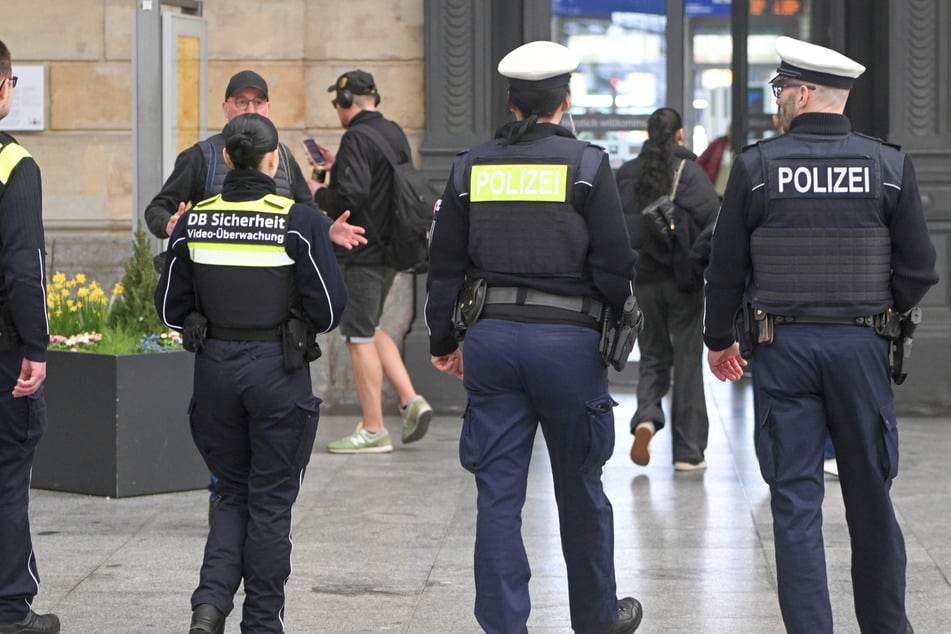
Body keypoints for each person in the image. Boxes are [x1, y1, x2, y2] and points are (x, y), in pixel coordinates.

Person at [703, 36, 937, 634]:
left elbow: (726, 267)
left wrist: (718, 339)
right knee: (870, 502)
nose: (776, 100)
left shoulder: (756, 168)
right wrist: (883, 315)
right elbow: (919, 268)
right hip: (861, 347)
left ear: (805, 94)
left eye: (781, 90)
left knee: (796, 504)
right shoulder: (887, 166)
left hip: (784, 350)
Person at [426, 41, 643, 634]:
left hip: (492, 342)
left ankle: (503, 624)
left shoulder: (471, 165)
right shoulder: (588, 166)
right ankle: (598, 618)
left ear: (511, 103)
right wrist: (613, 315)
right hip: (569, 345)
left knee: (497, 494)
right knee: (580, 488)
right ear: (564, 102)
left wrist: (443, 339)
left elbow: (444, 264)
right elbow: (616, 263)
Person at [154, 113, 347, 634]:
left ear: (225, 158)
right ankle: (262, 622)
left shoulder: (196, 220)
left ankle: (210, 606)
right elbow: (329, 310)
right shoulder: (297, 220)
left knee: (231, 493)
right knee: (270, 502)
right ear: (272, 159)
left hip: (215, 375)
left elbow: (170, 308)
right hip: (277, 377)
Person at [144, 69, 364, 519]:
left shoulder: (283, 157)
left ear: (268, 109)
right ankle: (233, 513)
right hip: (223, 327)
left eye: (257, 102)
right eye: (240, 102)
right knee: (235, 470)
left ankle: (236, 520)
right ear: (226, 109)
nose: (249, 109)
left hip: (275, 337)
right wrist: (172, 225)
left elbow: (301, 211)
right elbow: (158, 208)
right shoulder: (200, 158)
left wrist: (327, 230)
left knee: (259, 454)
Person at [312, 69, 432, 454]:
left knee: (358, 336)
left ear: (347, 103)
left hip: (363, 252)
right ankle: (411, 399)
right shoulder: (392, 131)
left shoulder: (355, 138)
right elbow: (378, 182)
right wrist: (338, 166)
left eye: (337, 103)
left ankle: (373, 428)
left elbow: (352, 197)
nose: (337, 109)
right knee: (372, 325)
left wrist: (320, 191)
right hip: (392, 250)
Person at [615, 107, 718, 472]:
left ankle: (645, 417)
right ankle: (688, 452)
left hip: (643, 282)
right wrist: (696, 260)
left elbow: (612, 230)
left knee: (654, 355)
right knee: (687, 361)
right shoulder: (689, 173)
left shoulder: (625, 174)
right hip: (682, 282)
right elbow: (715, 223)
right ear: (679, 136)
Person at [0, 41, 61, 634]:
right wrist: (35, 348)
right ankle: (9, 608)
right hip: (1, 351)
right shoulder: (14, 165)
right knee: (7, 470)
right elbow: (23, 268)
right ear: (3, 88)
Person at [696, 127, 731, 195]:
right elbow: (700, 161)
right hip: (715, 190)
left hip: (730, 193)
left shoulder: (740, 148)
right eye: (730, 130)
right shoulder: (718, 143)